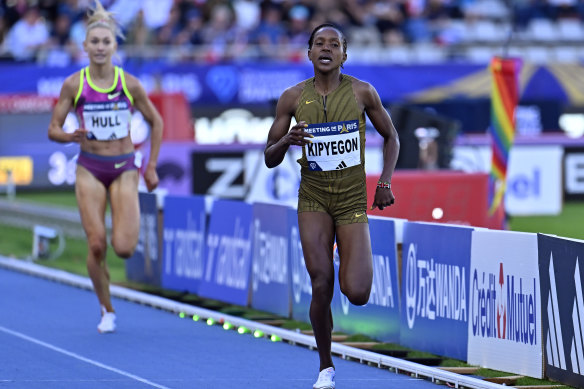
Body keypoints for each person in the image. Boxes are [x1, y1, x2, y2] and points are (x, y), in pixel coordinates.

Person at [264, 23, 399, 389]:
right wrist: (287, 140)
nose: (326, 48)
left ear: (344, 54)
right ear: (308, 53)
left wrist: (384, 181)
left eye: (334, 44)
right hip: (314, 200)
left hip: (352, 201)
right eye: (319, 43)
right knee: (321, 282)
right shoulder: (292, 98)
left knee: (356, 293)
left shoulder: (362, 92)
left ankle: (352, 256)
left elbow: (391, 137)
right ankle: (326, 366)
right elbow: (269, 157)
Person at [48, 0, 163, 334]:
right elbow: (52, 129)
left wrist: (151, 166)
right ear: (84, 47)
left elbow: (156, 122)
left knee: (124, 248)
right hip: (89, 167)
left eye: (106, 42)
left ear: (114, 46)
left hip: (125, 167)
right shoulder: (74, 84)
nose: (99, 47)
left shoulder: (129, 83)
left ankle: (108, 284)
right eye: (94, 42)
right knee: (96, 243)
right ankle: (106, 308)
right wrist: (70, 135)